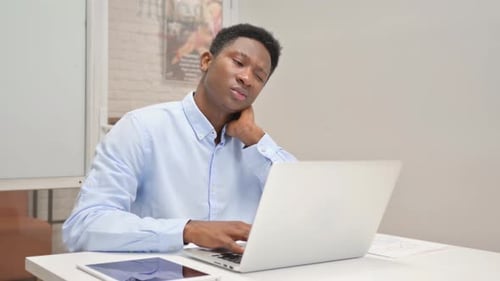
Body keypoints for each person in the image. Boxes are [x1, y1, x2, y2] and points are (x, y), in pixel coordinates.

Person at [62, 23, 296, 255]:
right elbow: (84, 226)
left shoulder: (256, 148)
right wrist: (186, 230)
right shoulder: (141, 129)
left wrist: (256, 138)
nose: (247, 78)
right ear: (206, 61)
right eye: (238, 62)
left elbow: (303, 204)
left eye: (259, 76)